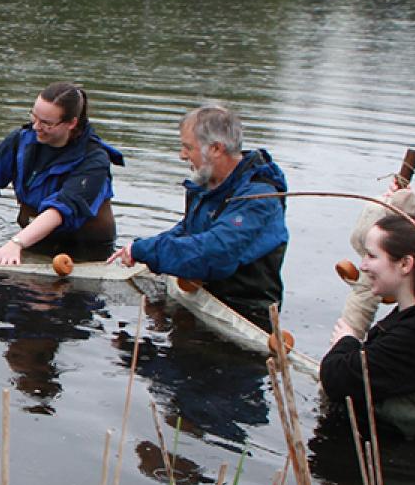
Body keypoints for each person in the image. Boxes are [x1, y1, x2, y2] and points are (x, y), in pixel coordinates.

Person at [108, 104, 289, 329]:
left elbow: (215, 253)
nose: (182, 155)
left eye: (188, 147)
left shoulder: (258, 198)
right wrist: (141, 247)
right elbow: (188, 228)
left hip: (244, 312)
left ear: (216, 149)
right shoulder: (208, 182)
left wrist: (146, 251)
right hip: (200, 297)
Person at [319, 214, 415, 439]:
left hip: (385, 453)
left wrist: (346, 341)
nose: (363, 266)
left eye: (372, 256)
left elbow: (337, 379)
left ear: (405, 264)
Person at [0, 82, 122, 264]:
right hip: (34, 241)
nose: (36, 127)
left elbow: (62, 208)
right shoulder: (21, 140)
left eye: (46, 123)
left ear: (71, 123)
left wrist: (16, 243)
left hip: (85, 251)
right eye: (34, 117)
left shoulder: (94, 160)